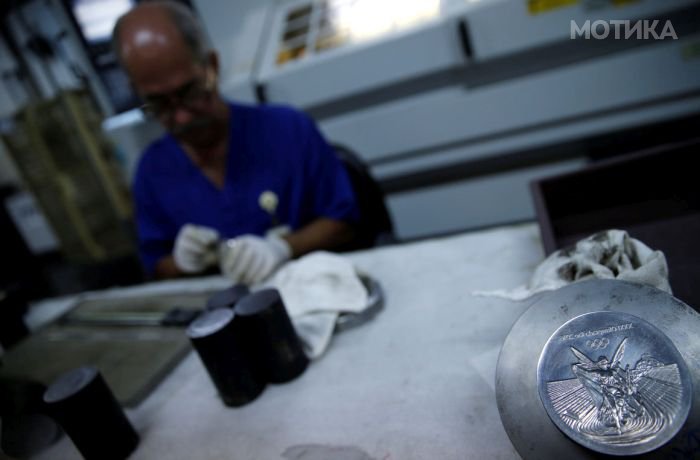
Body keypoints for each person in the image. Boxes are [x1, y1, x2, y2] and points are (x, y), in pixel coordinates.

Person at [112, 1, 359, 283]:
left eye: (190, 92)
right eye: (158, 103)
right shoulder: (152, 172)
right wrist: (183, 262)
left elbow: (345, 221)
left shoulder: (287, 130)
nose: (180, 117)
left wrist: (283, 247)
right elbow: (156, 265)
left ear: (212, 67)